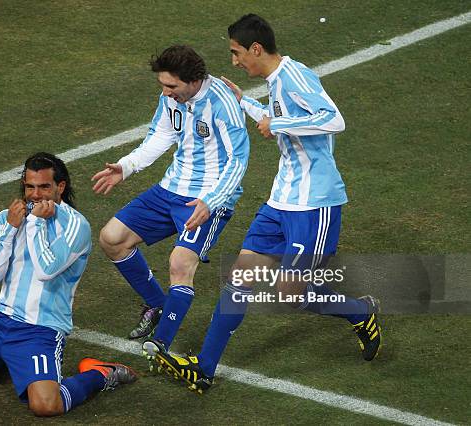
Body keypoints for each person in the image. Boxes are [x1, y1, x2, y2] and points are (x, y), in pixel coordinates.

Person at [149, 14, 382, 393]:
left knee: (291, 295)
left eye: (237, 53)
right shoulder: (276, 82)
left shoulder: (295, 76)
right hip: (280, 200)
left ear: (256, 48)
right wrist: (249, 106)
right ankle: (204, 369)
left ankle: (360, 312)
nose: (235, 61)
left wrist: (279, 126)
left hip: (313, 204)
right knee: (238, 279)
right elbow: (280, 119)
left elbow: (334, 119)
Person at [0, 152, 137, 416]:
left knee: (46, 406)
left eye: (44, 187)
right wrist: (9, 229)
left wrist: (35, 223)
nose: (35, 195)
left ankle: (100, 374)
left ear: (60, 187)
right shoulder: (8, 218)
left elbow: (46, 270)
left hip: (41, 329)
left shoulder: (75, 225)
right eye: (30, 187)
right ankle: (8, 359)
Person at [92, 45, 250, 358]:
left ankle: (160, 344)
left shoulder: (222, 105)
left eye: (171, 86)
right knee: (112, 239)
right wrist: (126, 167)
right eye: (163, 85)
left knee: (179, 263)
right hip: (170, 188)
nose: (165, 93)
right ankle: (158, 305)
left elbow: (238, 161)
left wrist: (212, 201)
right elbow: (160, 136)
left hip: (206, 198)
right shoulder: (172, 98)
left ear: (193, 81)